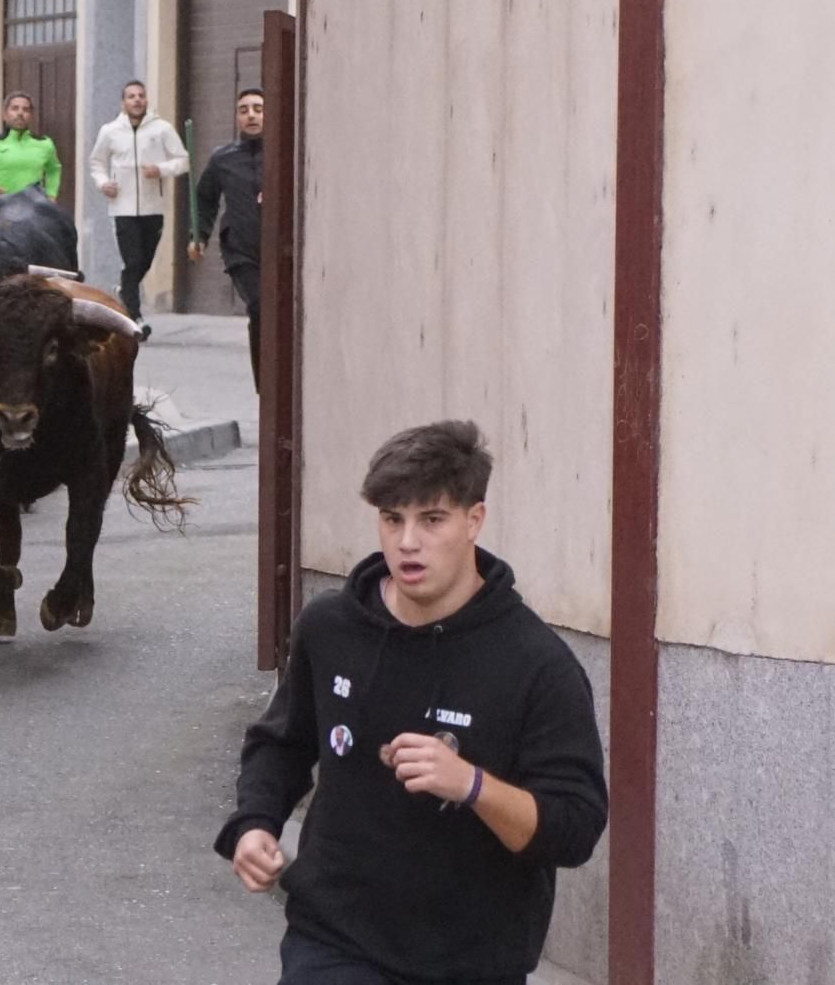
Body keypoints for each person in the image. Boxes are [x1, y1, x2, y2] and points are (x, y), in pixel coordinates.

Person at [215, 421, 608, 985]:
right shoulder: (330, 628)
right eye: (392, 518)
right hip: (333, 942)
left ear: (475, 520)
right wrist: (254, 824)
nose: (406, 542)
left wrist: (472, 785)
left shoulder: (536, 666)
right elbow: (282, 743)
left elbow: (574, 829)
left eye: (431, 520)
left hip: (472, 960)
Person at [88, 80, 189, 340]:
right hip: (122, 208)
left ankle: (125, 289)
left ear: (146, 100)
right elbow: (96, 162)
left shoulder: (162, 129)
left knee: (144, 260)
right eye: (131, 96)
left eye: (141, 96)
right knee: (132, 261)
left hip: (153, 207)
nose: (137, 100)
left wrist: (161, 170)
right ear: (123, 102)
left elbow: (183, 160)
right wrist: (103, 183)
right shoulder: (110, 131)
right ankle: (135, 316)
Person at [190, 88, 266, 390]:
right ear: (237, 117)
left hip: (278, 250)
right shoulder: (223, 159)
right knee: (260, 306)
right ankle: (265, 386)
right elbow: (205, 199)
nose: (251, 115)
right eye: (244, 109)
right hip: (241, 251)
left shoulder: (284, 152)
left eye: (258, 108)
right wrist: (198, 236)